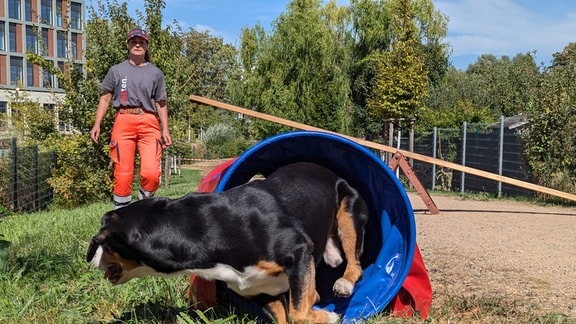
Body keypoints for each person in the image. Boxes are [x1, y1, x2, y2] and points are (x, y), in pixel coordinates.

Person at [90, 27, 172, 209]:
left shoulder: (156, 73)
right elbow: (105, 98)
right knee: (123, 173)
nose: (137, 45)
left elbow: (161, 103)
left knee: (151, 173)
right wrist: (97, 124)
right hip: (123, 119)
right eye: (133, 42)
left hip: (149, 120)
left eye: (141, 42)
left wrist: (165, 129)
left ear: (146, 46)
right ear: (128, 45)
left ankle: (143, 203)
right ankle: (121, 216)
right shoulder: (116, 70)